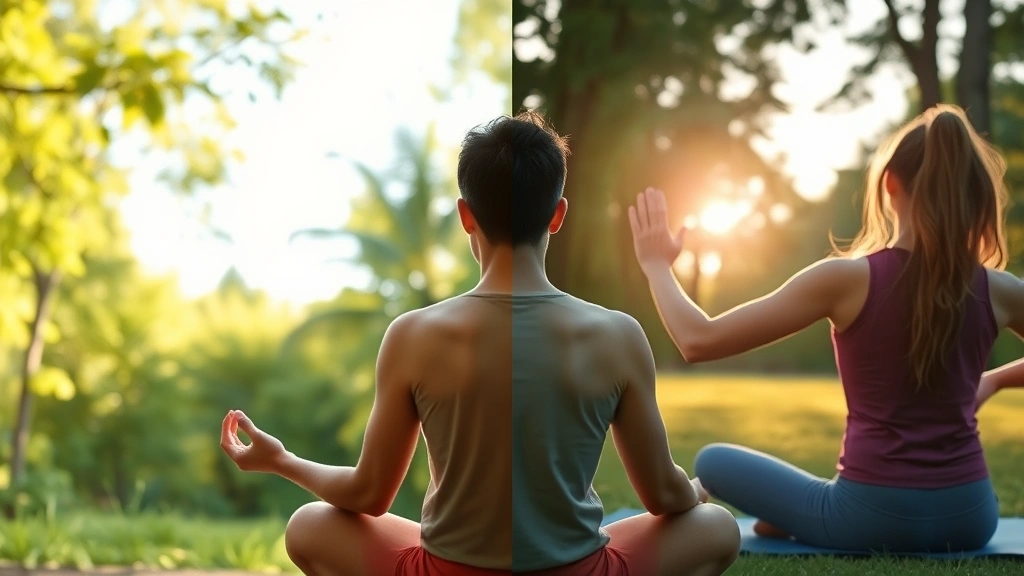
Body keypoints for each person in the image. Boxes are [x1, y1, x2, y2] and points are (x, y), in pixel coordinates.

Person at [219, 111, 740, 576]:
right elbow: (661, 495)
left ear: (467, 215)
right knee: (717, 528)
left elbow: (367, 496)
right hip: (577, 569)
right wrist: (692, 493)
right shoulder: (618, 333)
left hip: (447, 570)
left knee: (309, 525)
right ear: (558, 215)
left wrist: (282, 460)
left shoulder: (412, 334)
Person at [626, 103, 1024, 553]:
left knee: (713, 463)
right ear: (972, 194)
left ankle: (793, 517)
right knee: (787, 490)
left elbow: (698, 339)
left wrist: (657, 265)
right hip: (970, 517)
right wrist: (995, 379)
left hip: (867, 519)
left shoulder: (846, 280)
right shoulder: (1001, 290)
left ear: (890, 185)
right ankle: (793, 517)